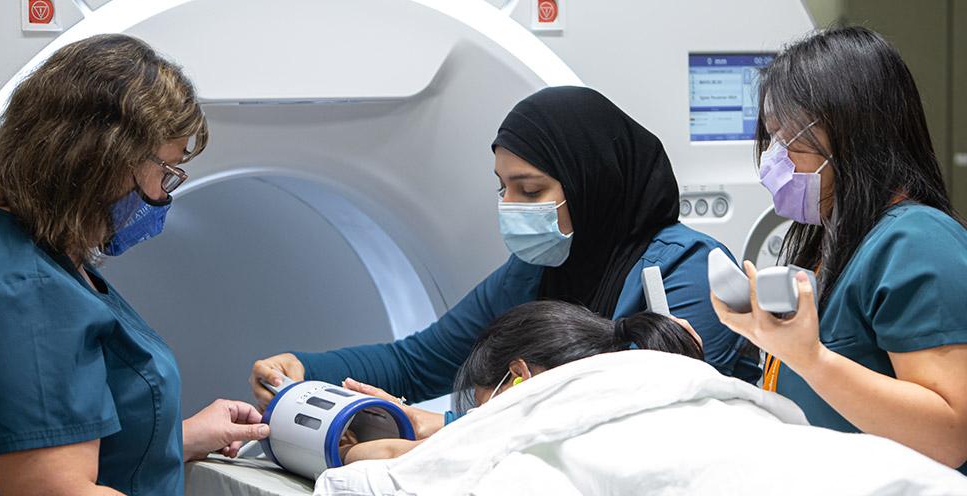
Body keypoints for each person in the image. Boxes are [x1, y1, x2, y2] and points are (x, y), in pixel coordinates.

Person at [252, 86, 757, 443]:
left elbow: (631, 423)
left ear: (592, 183)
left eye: (530, 191)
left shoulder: (690, 269)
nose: (510, 206)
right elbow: (416, 362)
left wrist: (446, 427)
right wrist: (306, 369)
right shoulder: (536, 270)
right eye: (503, 187)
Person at [0, 34, 269, 495]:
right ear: (104, 159)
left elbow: (50, 439)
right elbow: (55, 489)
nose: (162, 196)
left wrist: (179, 439)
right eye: (166, 172)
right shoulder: (25, 293)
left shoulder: (0, 232)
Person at [711, 26, 967, 473]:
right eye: (771, 138)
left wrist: (811, 359)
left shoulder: (917, 241)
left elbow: (950, 436)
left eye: (790, 139)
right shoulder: (836, 241)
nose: (774, 159)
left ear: (855, 132)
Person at [339, 300, 703, 464]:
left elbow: (392, 459)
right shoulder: (628, 407)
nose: (478, 419)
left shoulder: (540, 452)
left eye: (481, 406)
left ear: (518, 378)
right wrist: (422, 421)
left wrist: (345, 450)